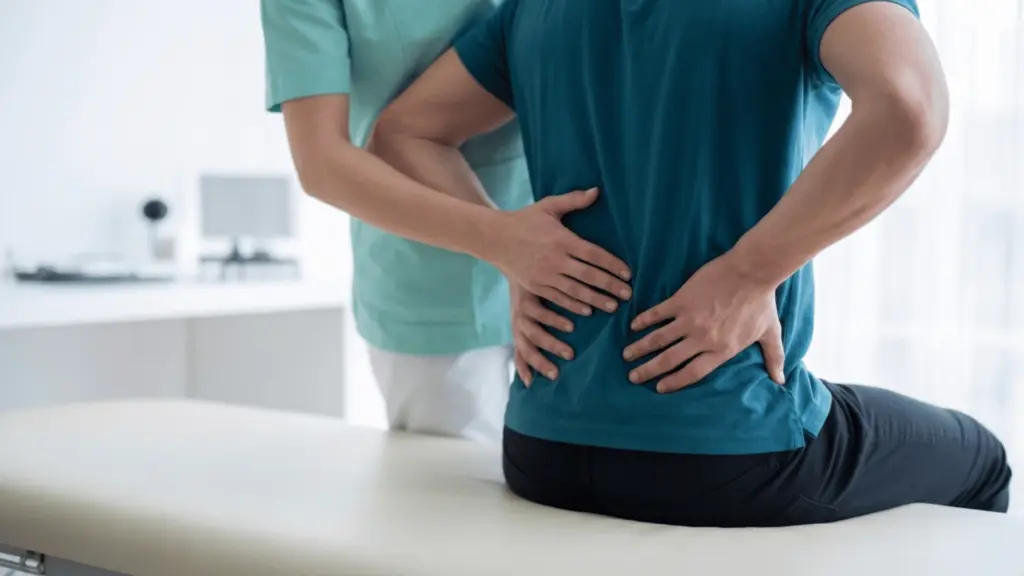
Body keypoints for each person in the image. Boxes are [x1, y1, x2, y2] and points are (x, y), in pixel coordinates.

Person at [371, 0, 1013, 526]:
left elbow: (403, 132)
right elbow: (910, 107)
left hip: (543, 447)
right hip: (727, 451)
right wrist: (747, 274)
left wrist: (508, 247)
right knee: (981, 459)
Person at [260, 1, 633, 445]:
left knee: (588, 495)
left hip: (584, 263)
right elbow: (322, 162)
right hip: (432, 290)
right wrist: (505, 242)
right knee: (456, 501)